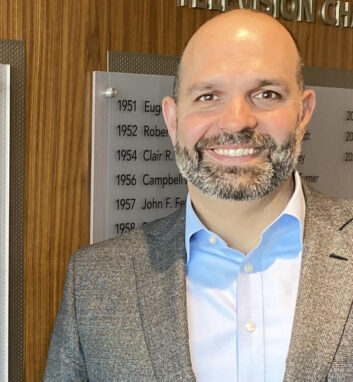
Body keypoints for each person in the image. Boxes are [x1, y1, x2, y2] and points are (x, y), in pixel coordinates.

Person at [44, 9, 353, 382]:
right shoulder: (96, 282)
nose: (236, 120)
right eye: (208, 95)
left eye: (266, 94)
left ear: (303, 113)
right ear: (173, 121)